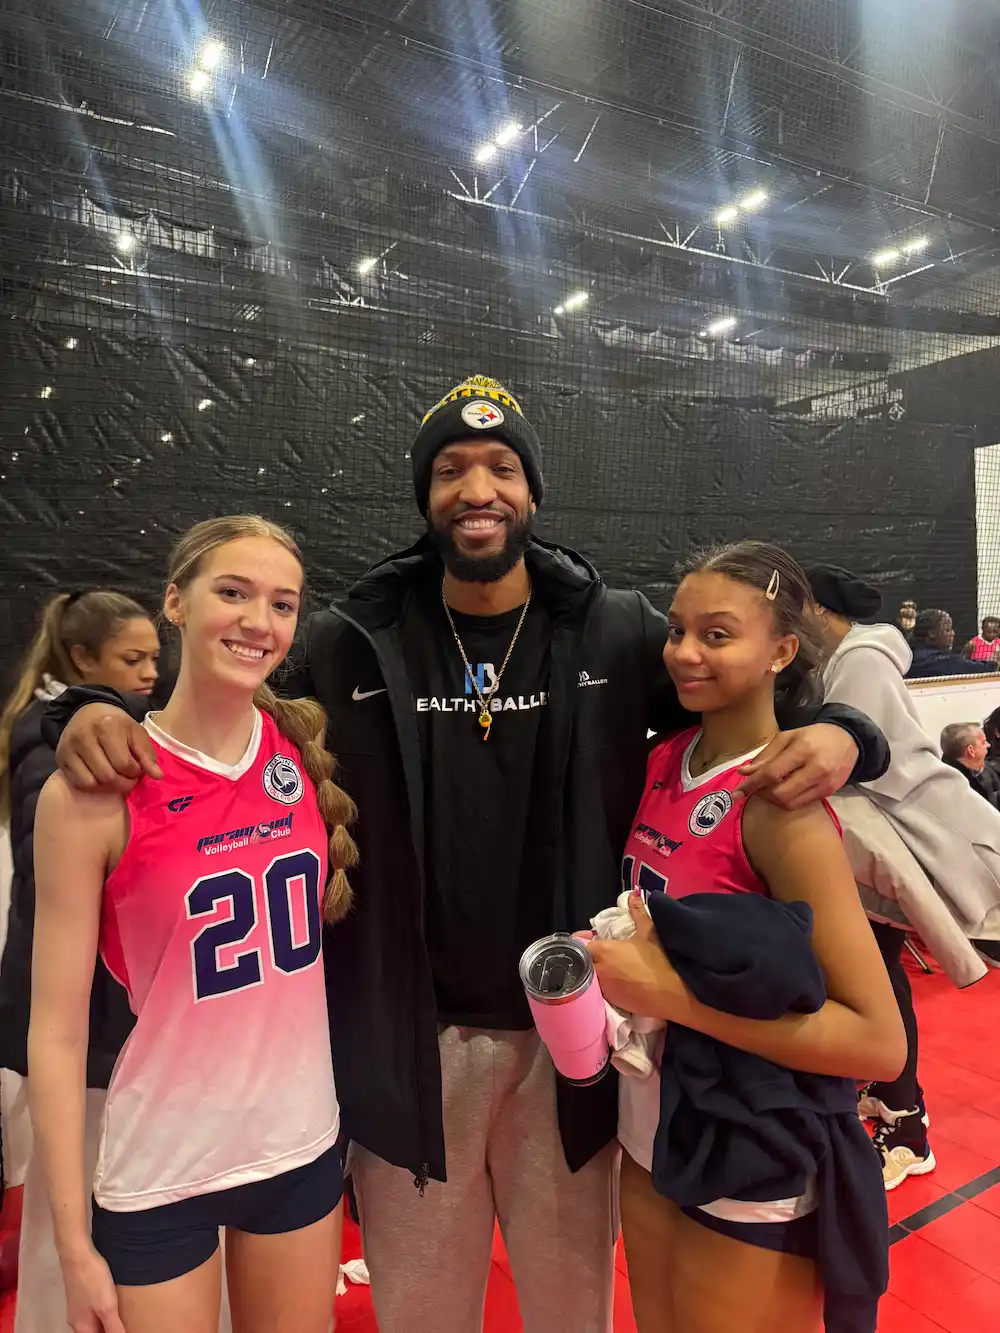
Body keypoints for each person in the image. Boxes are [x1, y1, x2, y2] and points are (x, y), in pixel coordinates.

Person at [38, 376, 889, 1333]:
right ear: (424, 494)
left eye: (501, 467)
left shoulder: (620, 629)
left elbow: (741, 696)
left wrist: (854, 731)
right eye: (450, 469)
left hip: (569, 1043)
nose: (476, 488)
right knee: (423, 1314)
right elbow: (222, 695)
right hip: (409, 1047)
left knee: (572, 1310)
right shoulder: (349, 640)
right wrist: (82, 716)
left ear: (532, 492)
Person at [28, 517, 356, 1333]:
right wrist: (72, 1246)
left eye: (282, 604)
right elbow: (58, 1034)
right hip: (162, 1162)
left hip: (298, 1143)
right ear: (175, 601)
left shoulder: (302, 751)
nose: (258, 621)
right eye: (233, 592)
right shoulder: (95, 789)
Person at [589, 542, 903, 1333]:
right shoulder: (663, 759)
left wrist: (675, 998)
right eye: (678, 630)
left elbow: (877, 1043)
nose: (686, 653)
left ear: (782, 651)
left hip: (750, 1148)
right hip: (651, 1128)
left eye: (718, 634)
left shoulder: (780, 803)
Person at [0, 590, 165, 1333]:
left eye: (156, 658)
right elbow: (53, 863)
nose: (151, 672)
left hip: (113, 1028)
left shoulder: (106, 728)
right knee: (67, 1220)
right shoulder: (57, 740)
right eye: (133, 660)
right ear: (83, 661)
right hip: (83, 1030)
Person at [809, 565, 1000, 1189]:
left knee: (882, 985)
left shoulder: (860, 661)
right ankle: (890, 1098)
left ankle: (908, 1128)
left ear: (818, 611)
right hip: (882, 852)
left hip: (906, 845)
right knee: (877, 979)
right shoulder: (840, 659)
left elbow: (872, 759)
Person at [905, 609, 996, 679]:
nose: (953, 633)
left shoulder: (916, 653)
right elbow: (961, 665)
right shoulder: (933, 660)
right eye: (947, 630)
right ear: (932, 633)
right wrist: (993, 663)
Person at [940, 722, 1000, 808]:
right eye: (983, 742)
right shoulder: (958, 789)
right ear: (971, 750)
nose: (988, 745)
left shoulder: (980, 769)